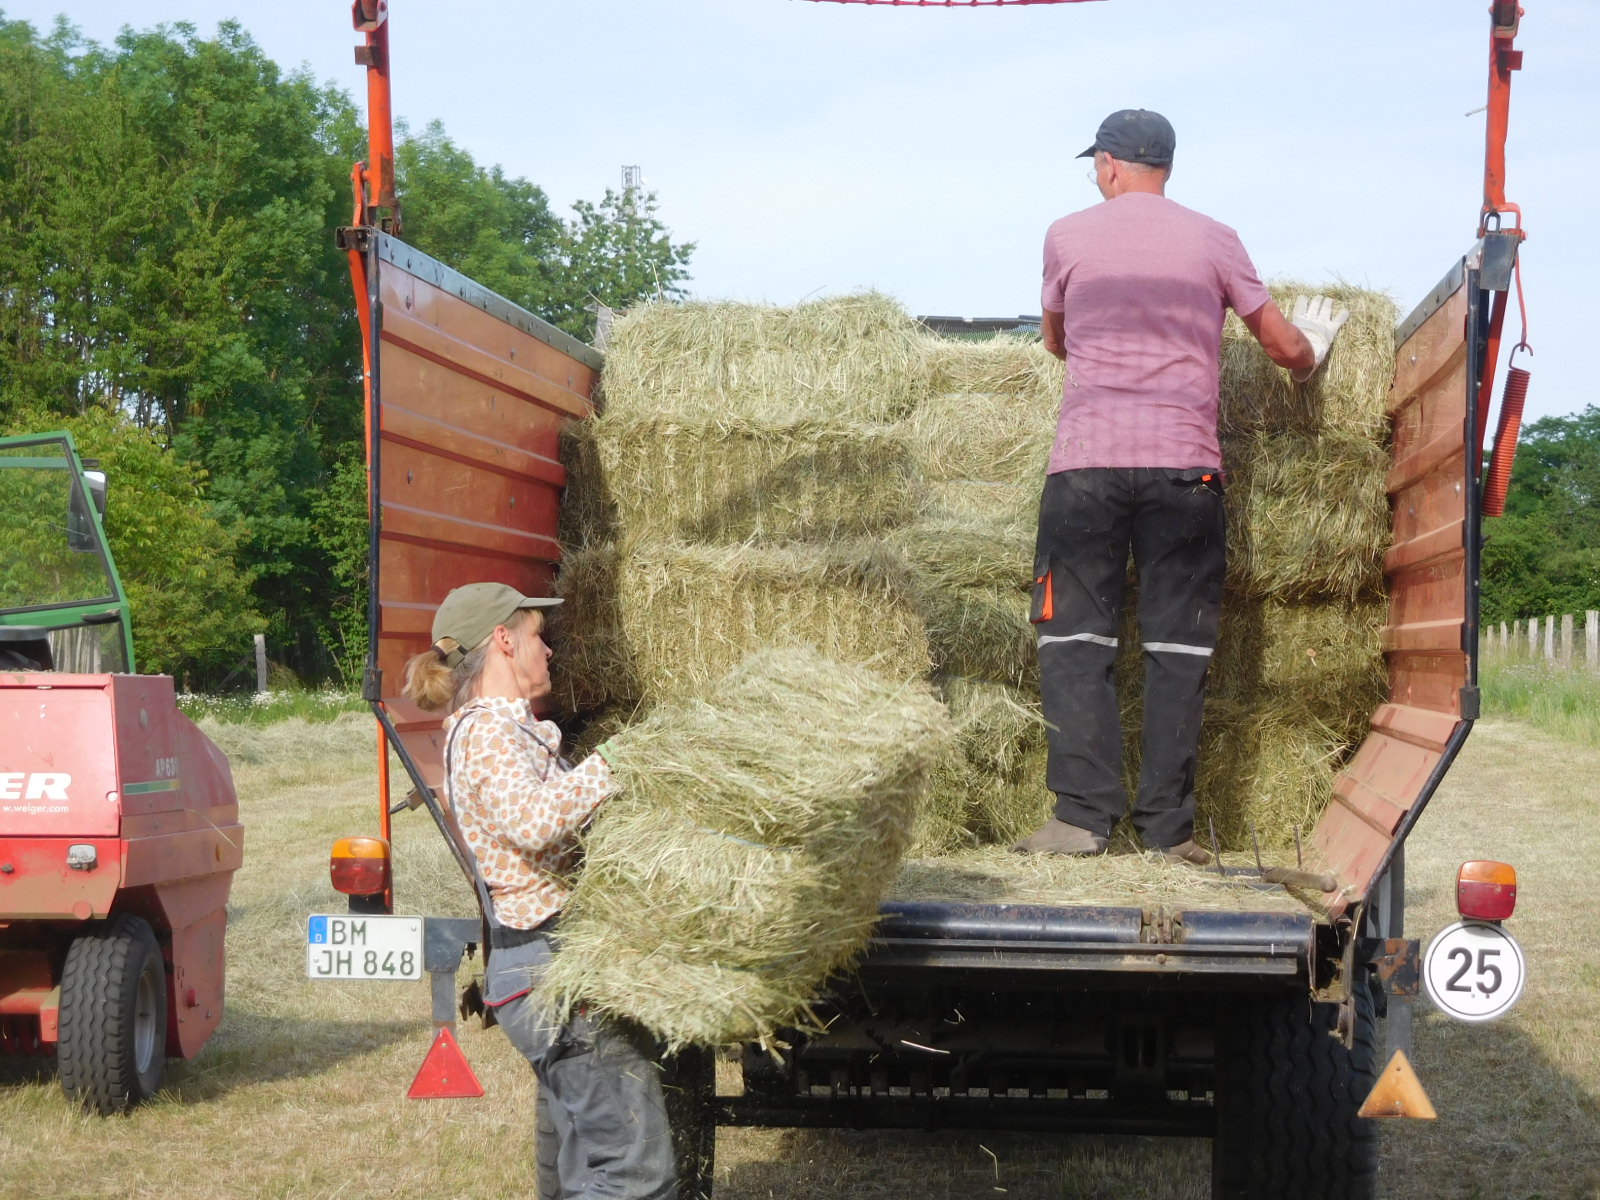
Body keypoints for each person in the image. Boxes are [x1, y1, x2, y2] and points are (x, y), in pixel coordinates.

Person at [1013, 109, 1349, 865]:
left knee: (1072, 640)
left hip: (1086, 471)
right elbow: (1282, 345)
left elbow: (1055, 340)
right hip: (1185, 473)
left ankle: (1080, 822)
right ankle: (1168, 833)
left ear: (1107, 165)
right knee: (1176, 646)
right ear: (1165, 166)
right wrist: (1311, 354)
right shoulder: (1216, 238)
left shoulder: (1066, 234)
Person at [402, 581, 676, 1199]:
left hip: (545, 969)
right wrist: (610, 764)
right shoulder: (485, 733)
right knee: (632, 1172)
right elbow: (533, 821)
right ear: (504, 639)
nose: (548, 652)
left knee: (583, 1170)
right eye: (537, 637)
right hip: (550, 972)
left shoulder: (504, 730)